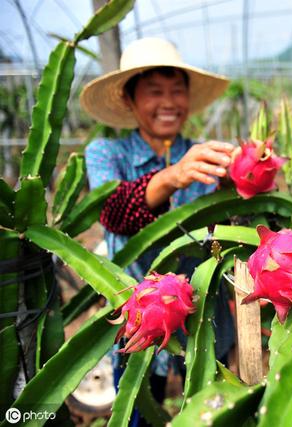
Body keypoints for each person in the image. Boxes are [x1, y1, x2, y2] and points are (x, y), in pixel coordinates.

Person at [80, 38, 235, 423]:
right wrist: (173, 177)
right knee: (135, 414)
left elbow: (231, 225)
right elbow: (113, 212)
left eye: (176, 91)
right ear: (130, 101)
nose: (168, 102)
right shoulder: (105, 154)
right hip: (138, 317)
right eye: (154, 92)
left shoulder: (208, 156)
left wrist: (244, 181)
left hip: (204, 316)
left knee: (210, 412)